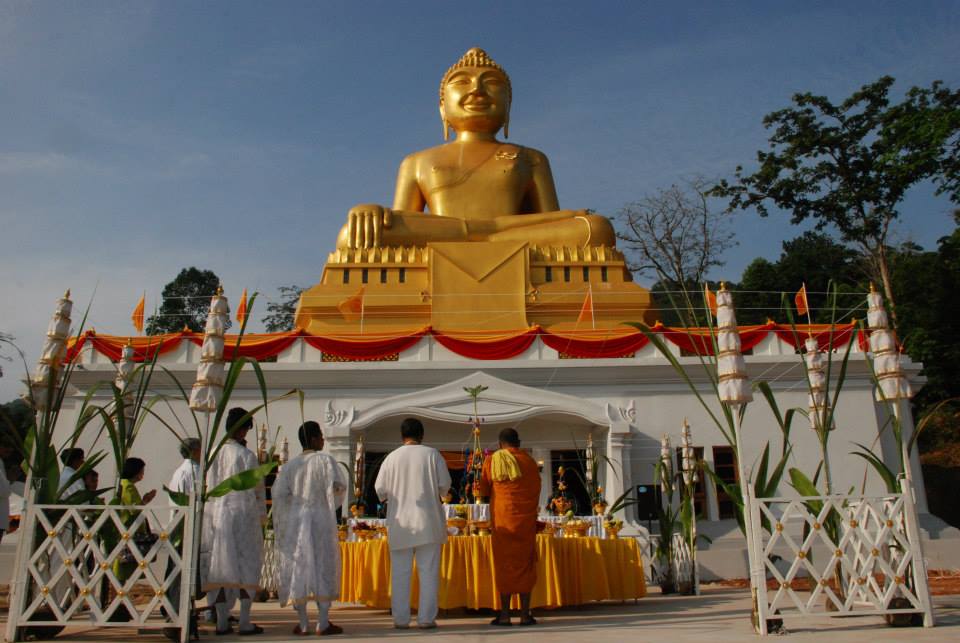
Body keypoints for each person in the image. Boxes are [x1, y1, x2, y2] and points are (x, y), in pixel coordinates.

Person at [335, 47, 615, 251]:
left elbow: (548, 222)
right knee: (353, 235)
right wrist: (373, 211)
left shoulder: (531, 158)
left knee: (596, 227)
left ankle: (486, 239)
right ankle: (488, 239)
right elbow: (403, 221)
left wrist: (568, 218)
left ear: (508, 107)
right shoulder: (417, 161)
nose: (478, 90)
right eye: (462, 82)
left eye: (492, 83)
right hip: (456, 236)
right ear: (443, 107)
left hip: (504, 240)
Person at [374, 418, 451, 629]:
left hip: (400, 524)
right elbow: (445, 486)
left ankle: (401, 619)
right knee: (429, 573)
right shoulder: (432, 455)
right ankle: (426, 619)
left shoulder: (391, 458)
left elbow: (380, 489)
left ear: (402, 436)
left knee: (400, 573)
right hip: (429, 523)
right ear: (422, 435)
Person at [272, 421, 347, 636]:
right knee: (323, 564)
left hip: (297, 521)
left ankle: (303, 622)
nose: (323, 439)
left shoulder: (289, 466)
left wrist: (293, 509)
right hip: (321, 519)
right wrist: (328, 501)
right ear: (314, 438)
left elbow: (278, 494)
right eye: (321, 436)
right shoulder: (326, 461)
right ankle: (322, 621)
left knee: (299, 567)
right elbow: (340, 487)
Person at [203, 407, 266, 636]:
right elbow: (257, 488)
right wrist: (261, 516)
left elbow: (208, 486)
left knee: (220, 567)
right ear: (240, 430)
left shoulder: (212, 453)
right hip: (242, 514)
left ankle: (220, 621)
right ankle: (246, 620)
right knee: (246, 566)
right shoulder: (246, 456)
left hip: (216, 514)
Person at [479, 428, 541, 626]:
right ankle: (524, 614)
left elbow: (483, 490)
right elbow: (536, 490)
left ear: (500, 444)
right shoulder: (530, 462)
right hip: (525, 522)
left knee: (504, 565)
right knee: (526, 564)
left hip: (503, 522)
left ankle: (504, 614)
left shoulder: (493, 460)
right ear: (519, 443)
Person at [114, 457, 158, 583]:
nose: (142, 474)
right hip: (130, 528)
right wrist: (146, 500)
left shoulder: (124, 484)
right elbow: (134, 509)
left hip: (127, 528)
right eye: (142, 471)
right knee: (124, 564)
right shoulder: (128, 487)